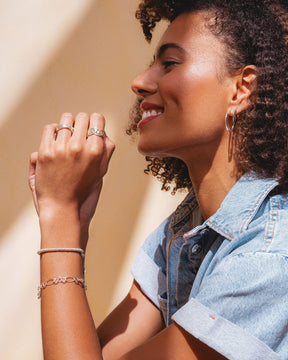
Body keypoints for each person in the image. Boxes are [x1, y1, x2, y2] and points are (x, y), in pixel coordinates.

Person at [29, 0, 288, 359]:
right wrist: (72, 222)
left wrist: (59, 216)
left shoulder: (267, 256)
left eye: (169, 63)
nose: (139, 82)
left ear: (241, 89)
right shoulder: (183, 231)